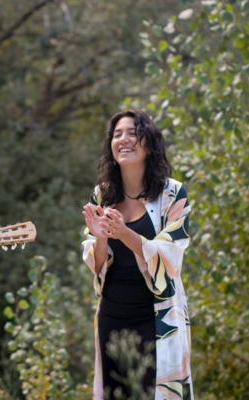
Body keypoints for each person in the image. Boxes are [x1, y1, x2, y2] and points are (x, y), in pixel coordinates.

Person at [81, 110, 193, 400]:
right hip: (111, 319)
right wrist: (102, 237)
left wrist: (124, 233)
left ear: (149, 143)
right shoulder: (102, 194)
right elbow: (96, 265)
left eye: (132, 132)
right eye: (117, 134)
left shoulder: (173, 194)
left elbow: (171, 259)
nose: (124, 139)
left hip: (155, 320)